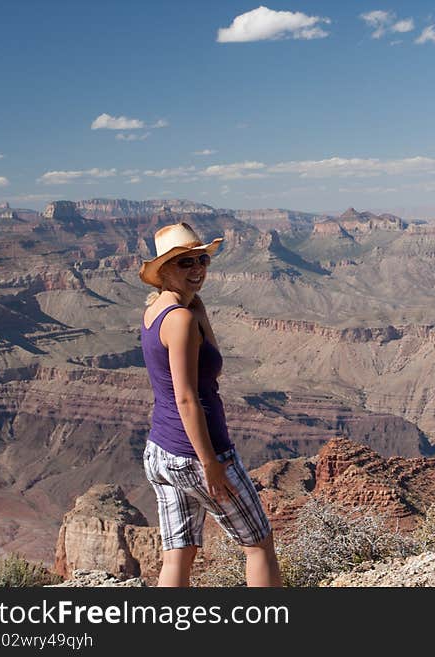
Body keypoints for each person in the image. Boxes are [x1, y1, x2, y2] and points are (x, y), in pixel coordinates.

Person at [138, 222, 282, 587]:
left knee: (179, 554)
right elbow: (187, 397)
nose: (197, 269)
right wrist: (210, 465)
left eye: (201, 259)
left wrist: (197, 307)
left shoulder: (160, 312)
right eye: (184, 263)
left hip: (161, 451)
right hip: (196, 454)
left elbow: (211, 364)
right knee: (259, 545)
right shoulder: (181, 320)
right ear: (163, 271)